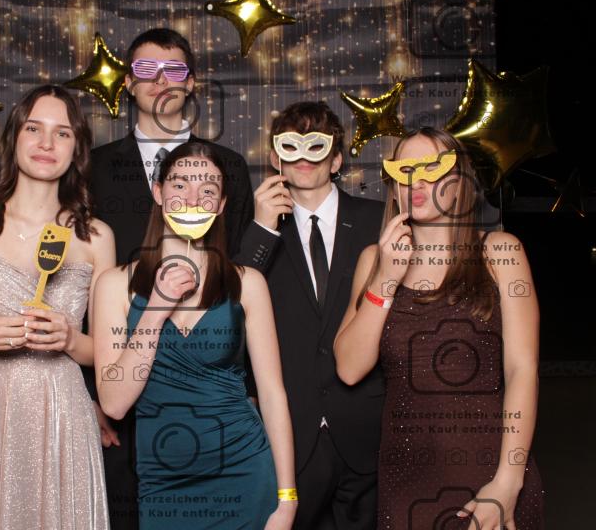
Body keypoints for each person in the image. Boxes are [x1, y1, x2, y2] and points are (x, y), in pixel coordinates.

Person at [334, 127, 544, 529]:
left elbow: (523, 370)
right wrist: (386, 279)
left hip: (491, 470)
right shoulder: (372, 260)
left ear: (459, 180)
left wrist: (508, 481)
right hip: (405, 479)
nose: (417, 181)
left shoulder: (500, 253)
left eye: (432, 168)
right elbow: (349, 368)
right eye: (405, 170)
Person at [88, 27, 256, 529]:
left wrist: (241, 386)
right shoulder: (93, 169)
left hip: (211, 392)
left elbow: (241, 278)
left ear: (192, 82)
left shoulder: (230, 167)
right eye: (146, 69)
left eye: (174, 69)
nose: (161, 80)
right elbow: (76, 280)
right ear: (127, 83)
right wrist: (91, 393)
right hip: (124, 387)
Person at [0, 85, 114, 529]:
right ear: (14, 138)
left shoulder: (97, 237)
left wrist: (69, 338)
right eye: (34, 129)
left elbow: (107, 355)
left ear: (77, 149)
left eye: (62, 133)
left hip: (62, 411)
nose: (47, 143)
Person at [93, 142, 297, 529]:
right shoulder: (114, 285)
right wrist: (156, 308)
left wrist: (287, 500)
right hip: (164, 483)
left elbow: (272, 395)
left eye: (207, 189)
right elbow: (115, 403)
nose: (192, 198)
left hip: (245, 470)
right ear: (158, 192)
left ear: (221, 205)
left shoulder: (247, 283)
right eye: (180, 185)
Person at [235, 101, 385, 529]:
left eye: (317, 146)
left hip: (365, 424)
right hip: (291, 432)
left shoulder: (378, 221)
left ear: (336, 160)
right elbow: (233, 309)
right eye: (291, 145)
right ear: (275, 157)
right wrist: (262, 230)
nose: (304, 155)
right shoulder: (254, 230)